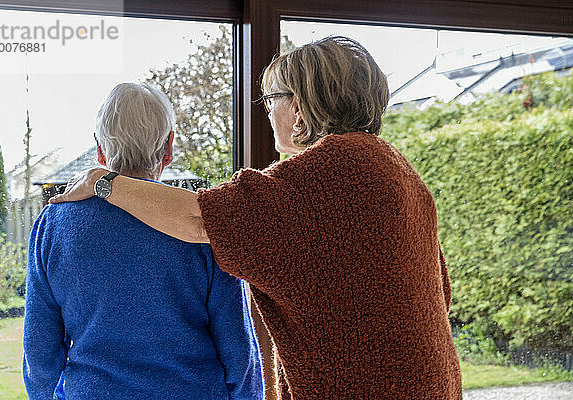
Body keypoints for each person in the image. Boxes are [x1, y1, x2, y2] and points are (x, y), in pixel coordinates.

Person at [52, 37, 463, 399]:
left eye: (271, 99)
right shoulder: (395, 169)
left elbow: (198, 218)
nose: (267, 111)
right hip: (432, 379)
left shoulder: (320, 176)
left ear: (299, 110)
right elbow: (439, 289)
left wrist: (102, 181)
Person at [23, 83, 264, 400]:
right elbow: (237, 348)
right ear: (169, 147)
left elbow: (39, 352)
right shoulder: (198, 223)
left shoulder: (52, 225)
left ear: (100, 149)